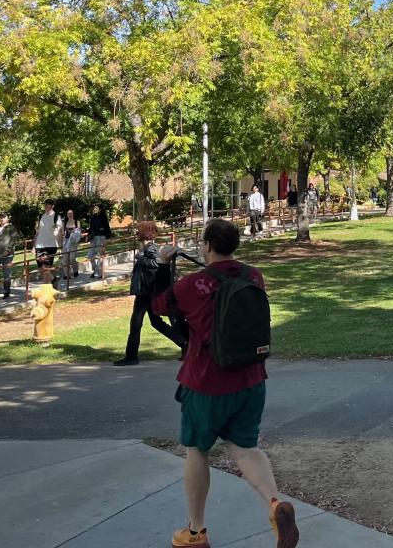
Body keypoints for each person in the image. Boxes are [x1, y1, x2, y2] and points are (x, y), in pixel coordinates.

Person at [152, 218, 300, 548]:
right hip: (251, 378)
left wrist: (163, 263)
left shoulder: (194, 284)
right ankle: (275, 505)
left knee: (197, 451)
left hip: (206, 382)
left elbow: (159, 304)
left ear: (206, 245)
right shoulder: (253, 276)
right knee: (245, 449)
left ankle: (195, 532)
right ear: (233, 244)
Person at [115, 221, 186, 366]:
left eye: (138, 231)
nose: (136, 233)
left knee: (136, 323)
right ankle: (184, 343)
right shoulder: (147, 247)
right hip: (147, 291)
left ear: (145, 232)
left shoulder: (150, 248)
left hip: (146, 292)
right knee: (155, 323)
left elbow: (157, 263)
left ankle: (131, 356)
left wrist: (141, 258)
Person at [34, 201, 61, 285]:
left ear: (52, 206)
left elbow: (59, 232)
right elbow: (37, 232)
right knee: (41, 268)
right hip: (39, 245)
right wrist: (33, 246)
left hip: (51, 245)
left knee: (46, 267)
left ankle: (47, 289)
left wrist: (61, 247)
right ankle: (53, 280)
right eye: (45, 204)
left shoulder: (56, 217)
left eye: (47, 204)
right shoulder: (40, 216)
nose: (45, 206)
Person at [87, 203, 111, 279]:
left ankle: (97, 273)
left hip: (101, 237)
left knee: (100, 255)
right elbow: (91, 227)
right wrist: (88, 235)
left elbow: (106, 227)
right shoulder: (93, 217)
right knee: (90, 255)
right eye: (94, 208)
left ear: (100, 209)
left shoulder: (103, 217)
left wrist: (105, 235)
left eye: (96, 208)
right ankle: (96, 271)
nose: (95, 209)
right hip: (93, 237)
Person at [61, 218, 83, 285]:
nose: (70, 215)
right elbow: (62, 233)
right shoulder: (64, 223)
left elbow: (79, 233)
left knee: (72, 258)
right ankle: (67, 274)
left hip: (73, 242)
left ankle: (75, 270)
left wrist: (74, 233)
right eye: (68, 214)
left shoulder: (76, 221)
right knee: (64, 259)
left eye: (71, 213)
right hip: (65, 241)